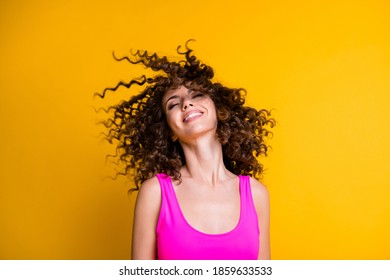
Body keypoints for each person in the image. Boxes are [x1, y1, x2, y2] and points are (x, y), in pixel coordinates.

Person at [97, 41, 275, 260]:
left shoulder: (256, 194)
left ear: (219, 111)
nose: (186, 104)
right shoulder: (155, 193)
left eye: (197, 95)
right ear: (170, 131)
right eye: (173, 104)